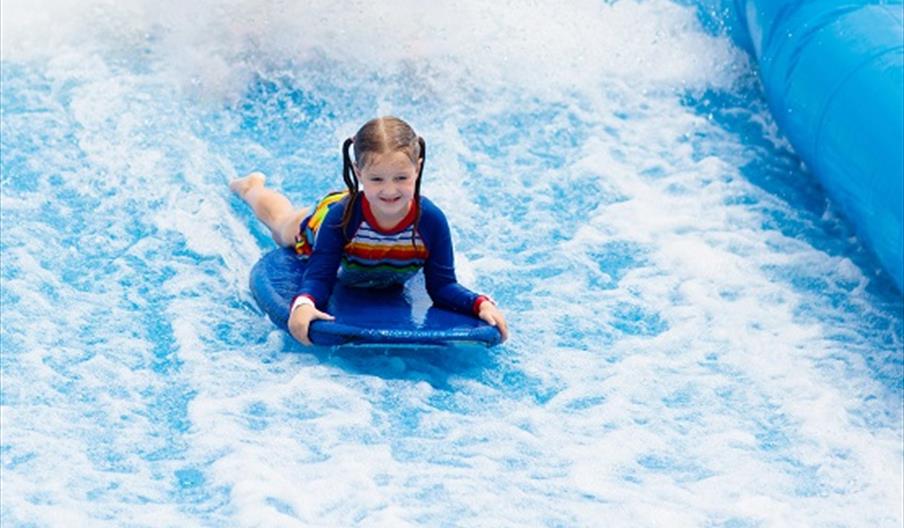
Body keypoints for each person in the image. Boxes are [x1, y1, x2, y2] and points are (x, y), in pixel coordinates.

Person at [230, 116, 509, 345]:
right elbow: (319, 276)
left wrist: (479, 304)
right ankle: (251, 188)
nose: (389, 190)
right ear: (358, 172)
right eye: (377, 179)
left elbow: (443, 286)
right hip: (330, 219)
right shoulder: (343, 218)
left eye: (401, 178)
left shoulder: (431, 221)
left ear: (418, 168)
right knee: (282, 225)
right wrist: (304, 303)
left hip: (361, 219)